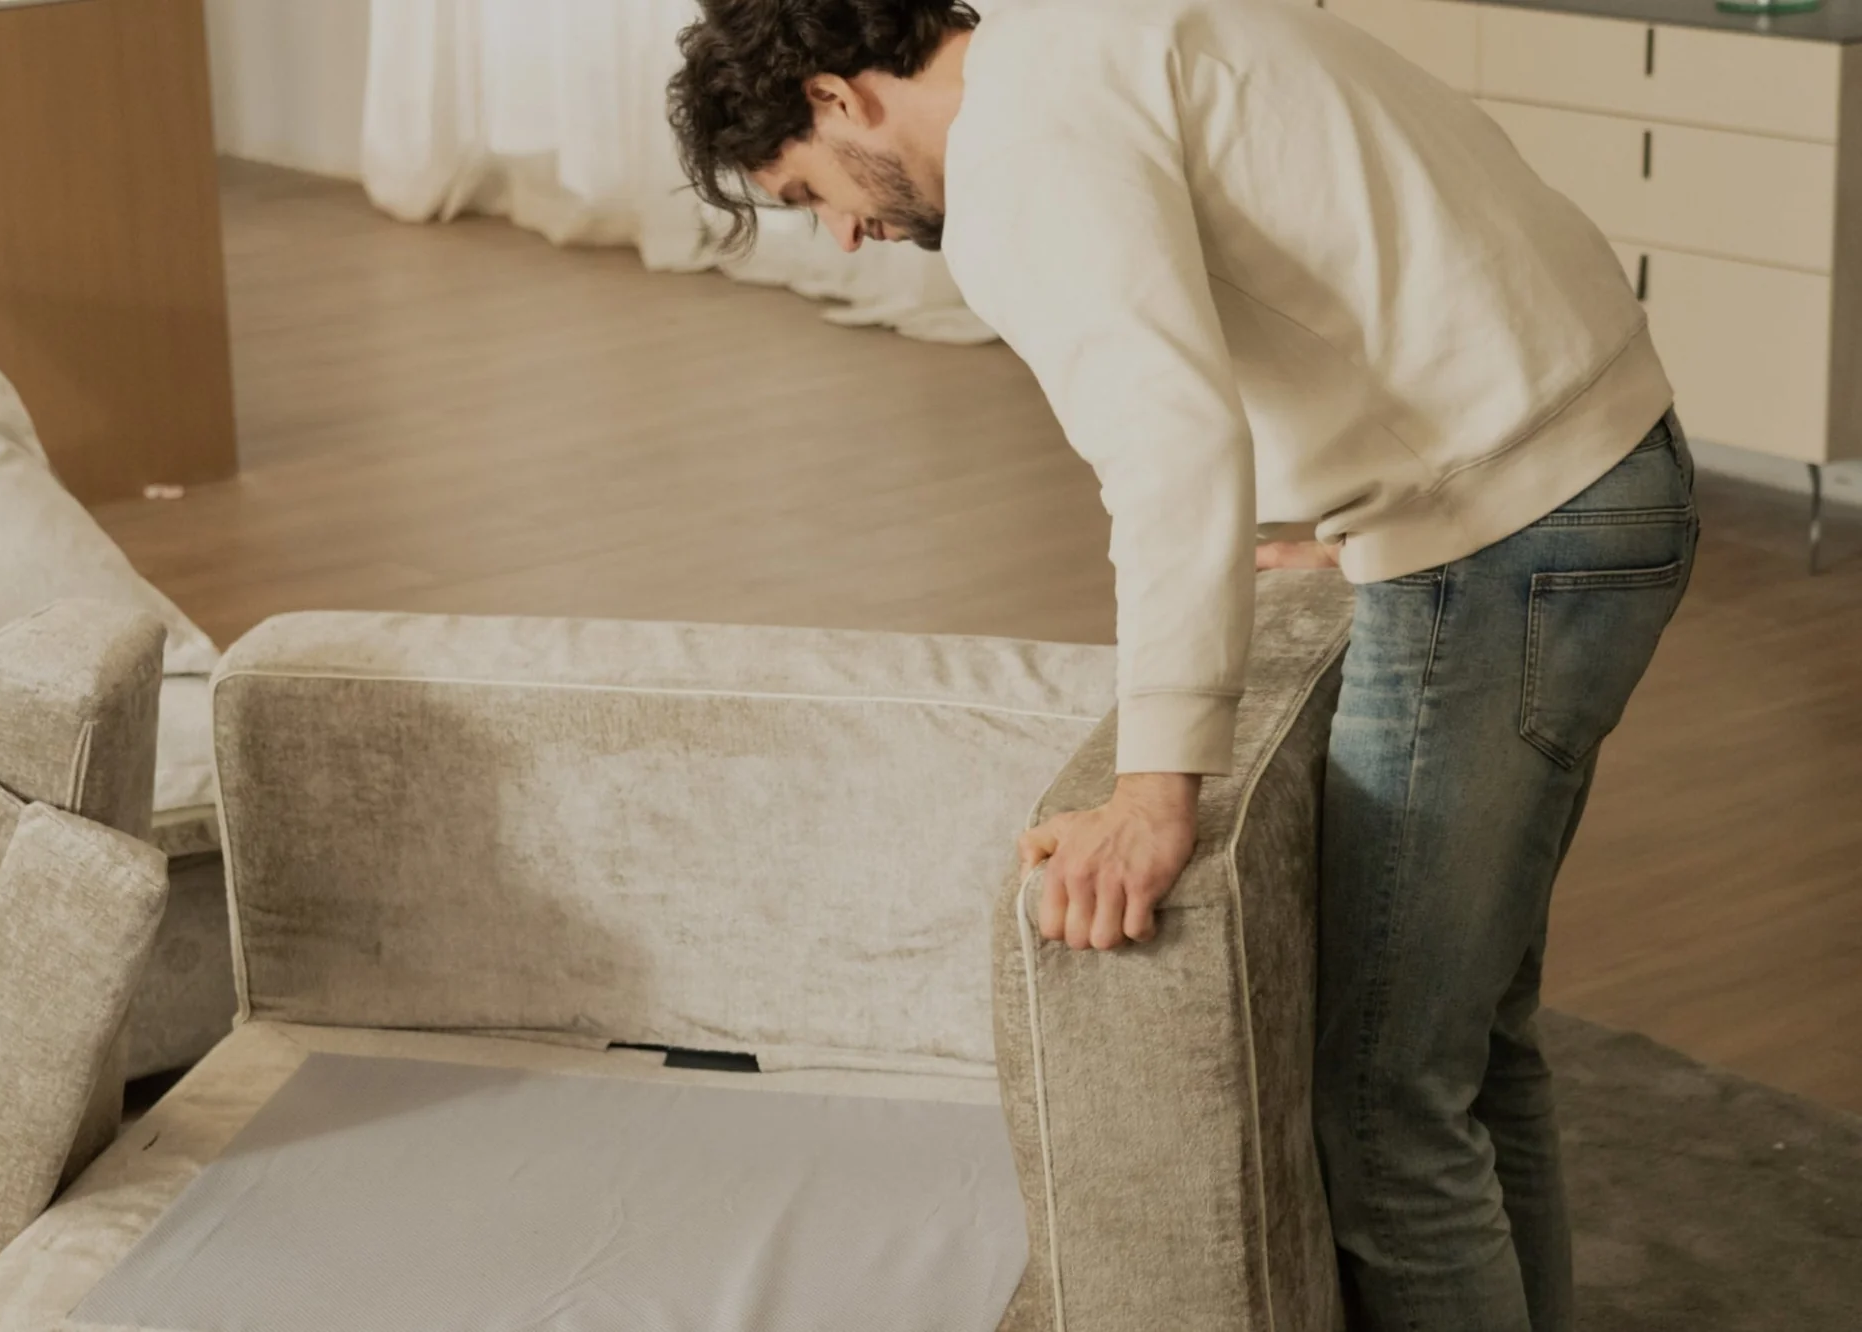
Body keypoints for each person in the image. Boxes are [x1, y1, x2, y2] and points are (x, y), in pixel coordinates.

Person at [668, 1, 1699, 1327]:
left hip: (1511, 535)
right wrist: (1392, 492)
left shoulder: (1022, 148)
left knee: (1386, 1107)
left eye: (812, 195)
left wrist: (1155, 787)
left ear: (838, 96)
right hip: (1586, 470)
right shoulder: (1095, 31)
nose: (848, 234)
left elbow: (1164, 446)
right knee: (1469, 1052)